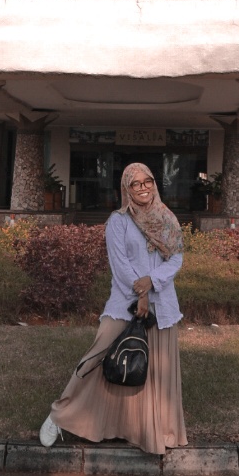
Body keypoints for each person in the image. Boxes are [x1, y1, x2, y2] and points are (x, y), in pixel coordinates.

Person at [39, 162, 188, 455]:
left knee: (152, 373)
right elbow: (119, 264)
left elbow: (176, 260)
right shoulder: (118, 221)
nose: (143, 187)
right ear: (126, 189)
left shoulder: (167, 219)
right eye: (136, 183)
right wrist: (140, 293)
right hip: (124, 303)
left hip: (163, 305)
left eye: (148, 181)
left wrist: (152, 282)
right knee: (96, 360)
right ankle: (60, 415)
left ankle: (151, 431)